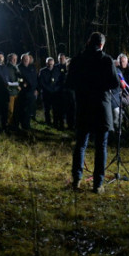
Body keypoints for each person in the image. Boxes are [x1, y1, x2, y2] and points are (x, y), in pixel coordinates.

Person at [67, 32, 121, 193]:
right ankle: (98, 184)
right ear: (102, 45)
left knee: (81, 145)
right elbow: (114, 82)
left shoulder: (78, 60)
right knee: (101, 147)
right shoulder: (106, 60)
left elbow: (69, 82)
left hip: (84, 106)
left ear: (88, 42)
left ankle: (77, 179)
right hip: (101, 107)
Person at [16, 53, 39, 131]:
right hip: (24, 92)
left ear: (29, 60)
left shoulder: (32, 67)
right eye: (24, 59)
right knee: (23, 109)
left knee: (30, 109)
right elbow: (18, 79)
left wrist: (36, 89)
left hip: (32, 92)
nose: (26, 60)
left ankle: (27, 124)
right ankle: (23, 125)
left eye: (27, 59)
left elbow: (36, 79)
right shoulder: (18, 68)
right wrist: (22, 84)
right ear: (21, 60)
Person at [38, 56, 61, 128]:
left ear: (54, 63)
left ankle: (55, 122)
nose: (50, 65)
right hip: (46, 93)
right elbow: (41, 83)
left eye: (51, 64)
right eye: (49, 64)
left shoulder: (57, 70)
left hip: (55, 93)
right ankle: (48, 122)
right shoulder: (42, 71)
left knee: (55, 109)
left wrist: (56, 88)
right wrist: (49, 89)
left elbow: (60, 81)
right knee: (47, 109)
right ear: (46, 63)